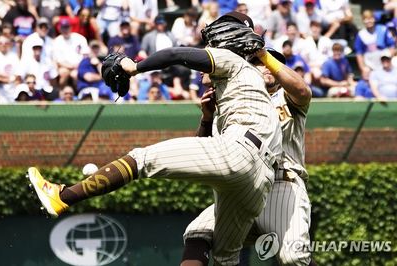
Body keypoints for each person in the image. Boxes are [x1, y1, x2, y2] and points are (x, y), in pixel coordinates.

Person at [27, 12, 282, 266]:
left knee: (142, 158)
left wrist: (134, 67)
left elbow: (175, 55)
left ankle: (63, 196)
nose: (208, 46)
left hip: (241, 151)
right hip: (259, 184)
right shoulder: (244, 91)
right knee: (226, 258)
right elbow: (205, 146)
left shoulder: (234, 60)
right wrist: (206, 118)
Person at [181, 48, 314, 266]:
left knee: (293, 258)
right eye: (259, 63)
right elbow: (205, 151)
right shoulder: (233, 105)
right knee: (197, 233)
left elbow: (302, 91)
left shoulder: (285, 97)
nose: (268, 66)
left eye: (273, 63)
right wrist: (207, 118)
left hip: (282, 185)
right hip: (243, 189)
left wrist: (263, 54)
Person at [354, 9, 396, 78]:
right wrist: (363, 68)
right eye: (366, 19)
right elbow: (359, 53)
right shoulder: (361, 34)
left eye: (370, 18)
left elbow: (392, 46)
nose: (369, 21)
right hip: (370, 64)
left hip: (385, 61)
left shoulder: (382, 29)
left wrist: (388, 60)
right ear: (363, 21)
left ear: (374, 19)